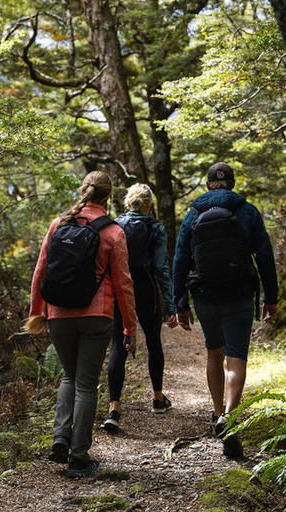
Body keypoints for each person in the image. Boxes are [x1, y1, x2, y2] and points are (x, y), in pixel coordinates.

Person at [24, 171, 137, 478]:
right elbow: (124, 284)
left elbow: (40, 271)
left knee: (69, 376)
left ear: (84, 190)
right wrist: (130, 327)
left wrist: (37, 311)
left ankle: (60, 437)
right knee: (86, 383)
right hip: (97, 314)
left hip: (59, 313)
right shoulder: (113, 232)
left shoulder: (58, 224)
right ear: (109, 196)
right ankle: (78, 457)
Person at [172, 162, 278, 458]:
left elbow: (180, 258)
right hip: (240, 292)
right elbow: (265, 255)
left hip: (204, 294)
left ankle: (217, 410)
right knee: (236, 358)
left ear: (208, 185)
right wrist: (272, 297)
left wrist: (179, 302)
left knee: (214, 353)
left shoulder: (193, 213)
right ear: (232, 183)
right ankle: (228, 419)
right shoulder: (248, 211)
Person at [102, 183, 179, 432]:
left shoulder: (112, 225)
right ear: (148, 205)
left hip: (118, 291)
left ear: (127, 202)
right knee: (154, 341)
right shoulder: (155, 227)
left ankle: (114, 407)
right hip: (145, 288)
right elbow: (161, 267)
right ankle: (158, 398)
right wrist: (171, 304)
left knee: (118, 343)